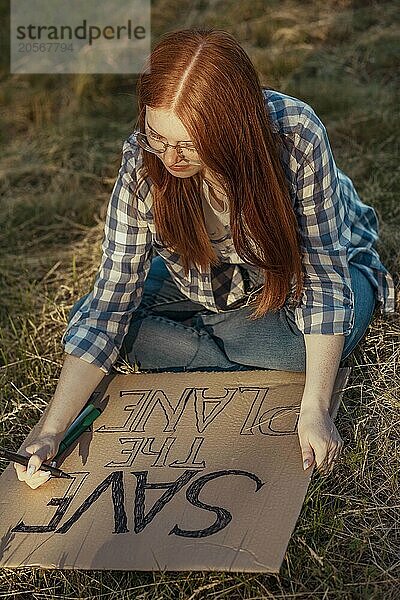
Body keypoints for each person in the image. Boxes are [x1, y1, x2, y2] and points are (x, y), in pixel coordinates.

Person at [14, 28, 396, 489]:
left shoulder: (295, 136)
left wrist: (313, 409)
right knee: (91, 318)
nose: (170, 157)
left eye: (189, 144)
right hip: (200, 274)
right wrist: (51, 429)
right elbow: (110, 300)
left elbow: (323, 282)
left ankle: (209, 335)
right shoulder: (144, 160)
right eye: (158, 137)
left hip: (297, 269)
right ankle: (221, 334)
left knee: (298, 352)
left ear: (230, 127)